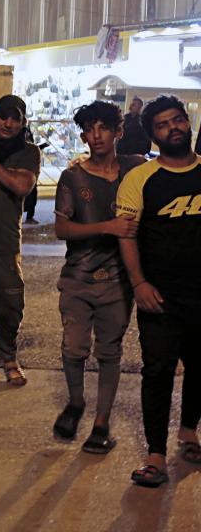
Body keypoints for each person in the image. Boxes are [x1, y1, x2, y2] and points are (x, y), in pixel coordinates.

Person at [116, 95, 201, 487]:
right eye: (164, 125)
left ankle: (188, 432)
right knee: (158, 371)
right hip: (159, 296)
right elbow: (127, 236)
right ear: (153, 135)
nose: (174, 128)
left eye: (178, 120)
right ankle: (155, 454)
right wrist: (139, 283)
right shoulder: (140, 179)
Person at [52, 101, 143, 454]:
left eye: (102, 128)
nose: (95, 136)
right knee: (73, 348)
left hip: (118, 282)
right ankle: (76, 403)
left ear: (118, 131)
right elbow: (61, 228)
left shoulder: (136, 169)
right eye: (89, 130)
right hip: (77, 279)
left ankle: (101, 424)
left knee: (110, 353)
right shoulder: (72, 176)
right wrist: (109, 226)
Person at [0, 95, 41, 387]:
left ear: (23, 122)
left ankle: (8, 357)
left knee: (10, 305)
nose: (8, 123)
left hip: (4, 244)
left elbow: (20, 185)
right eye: (3, 116)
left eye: (15, 118)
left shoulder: (28, 152)